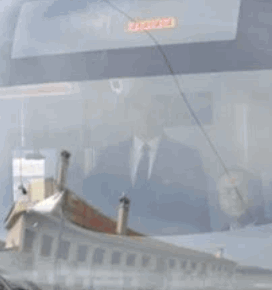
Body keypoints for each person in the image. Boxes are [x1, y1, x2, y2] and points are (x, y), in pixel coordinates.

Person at [81, 87, 213, 236]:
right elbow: (92, 201)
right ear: (129, 114)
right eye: (139, 108)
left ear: (164, 114)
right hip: (117, 245)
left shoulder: (187, 157)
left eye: (153, 109)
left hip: (171, 247)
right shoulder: (109, 156)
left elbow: (199, 215)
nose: (146, 116)